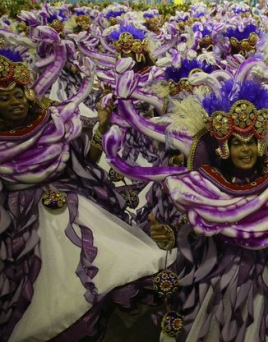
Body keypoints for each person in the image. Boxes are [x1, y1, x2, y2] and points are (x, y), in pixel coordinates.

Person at [102, 57, 268, 341]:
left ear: (260, 143)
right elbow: (191, 230)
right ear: (225, 149)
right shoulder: (206, 184)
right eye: (237, 143)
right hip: (226, 280)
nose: (246, 150)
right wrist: (167, 235)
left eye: (251, 142)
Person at [0, 30, 169, 342]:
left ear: (29, 94)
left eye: (18, 94)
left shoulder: (52, 122)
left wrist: (102, 127)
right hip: (23, 223)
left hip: (73, 204)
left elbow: (86, 160)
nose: (14, 102)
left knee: (122, 262)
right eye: (4, 98)